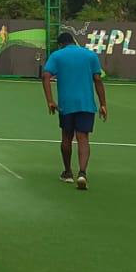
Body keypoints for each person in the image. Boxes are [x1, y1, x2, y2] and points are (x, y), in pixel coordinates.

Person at [42, 29, 107, 190]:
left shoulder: (57, 56)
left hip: (66, 104)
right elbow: (97, 79)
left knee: (66, 137)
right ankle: (82, 173)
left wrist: (50, 100)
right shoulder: (90, 55)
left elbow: (45, 76)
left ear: (61, 44)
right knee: (83, 138)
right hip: (86, 104)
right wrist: (103, 104)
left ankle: (68, 172)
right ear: (73, 41)